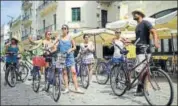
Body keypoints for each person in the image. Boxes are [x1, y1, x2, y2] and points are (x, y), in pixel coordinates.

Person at [132, 9, 160, 96]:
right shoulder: (137, 27)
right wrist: (130, 42)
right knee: (140, 71)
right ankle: (140, 89)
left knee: (144, 71)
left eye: (135, 13)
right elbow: (138, 40)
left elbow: (154, 31)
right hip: (138, 51)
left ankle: (143, 89)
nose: (134, 15)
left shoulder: (145, 23)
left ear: (140, 14)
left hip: (145, 51)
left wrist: (155, 42)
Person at [52, 24, 84, 94]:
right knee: (64, 72)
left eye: (65, 28)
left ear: (67, 30)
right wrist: (49, 47)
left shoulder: (70, 37)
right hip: (61, 56)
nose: (63, 29)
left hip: (70, 56)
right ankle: (67, 88)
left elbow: (75, 47)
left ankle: (77, 88)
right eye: (62, 28)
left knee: (73, 72)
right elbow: (53, 43)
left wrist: (71, 49)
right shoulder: (59, 37)